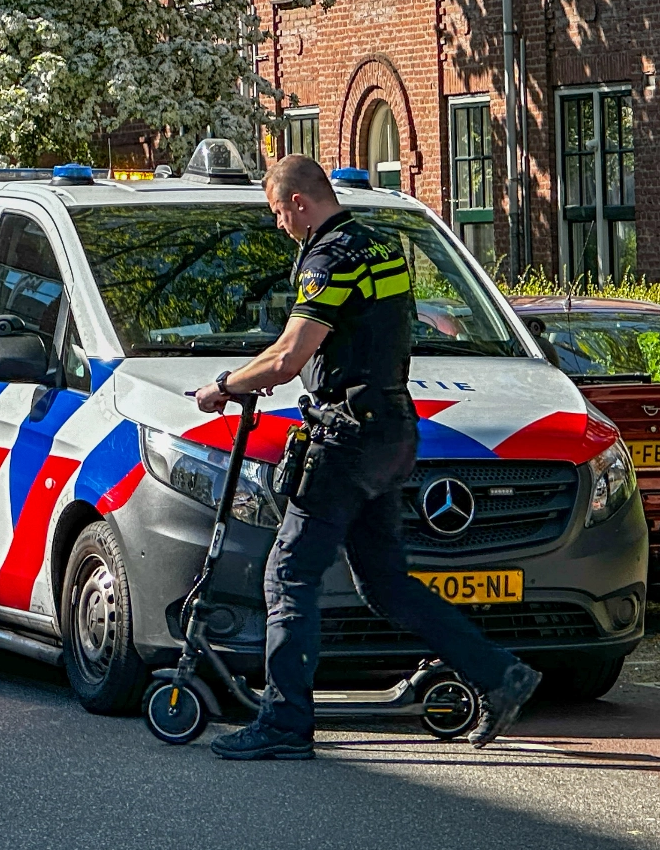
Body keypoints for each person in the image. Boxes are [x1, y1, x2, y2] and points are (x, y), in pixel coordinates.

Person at [193, 155, 541, 761]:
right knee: (385, 583)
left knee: (288, 573)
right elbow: (319, 340)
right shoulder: (381, 248)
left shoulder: (328, 258)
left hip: (347, 437)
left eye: (278, 213)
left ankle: (282, 724)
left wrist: (224, 387)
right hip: (392, 428)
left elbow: (289, 359)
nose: (280, 226)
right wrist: (259, 371)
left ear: (298, 202)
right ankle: (500, 674)